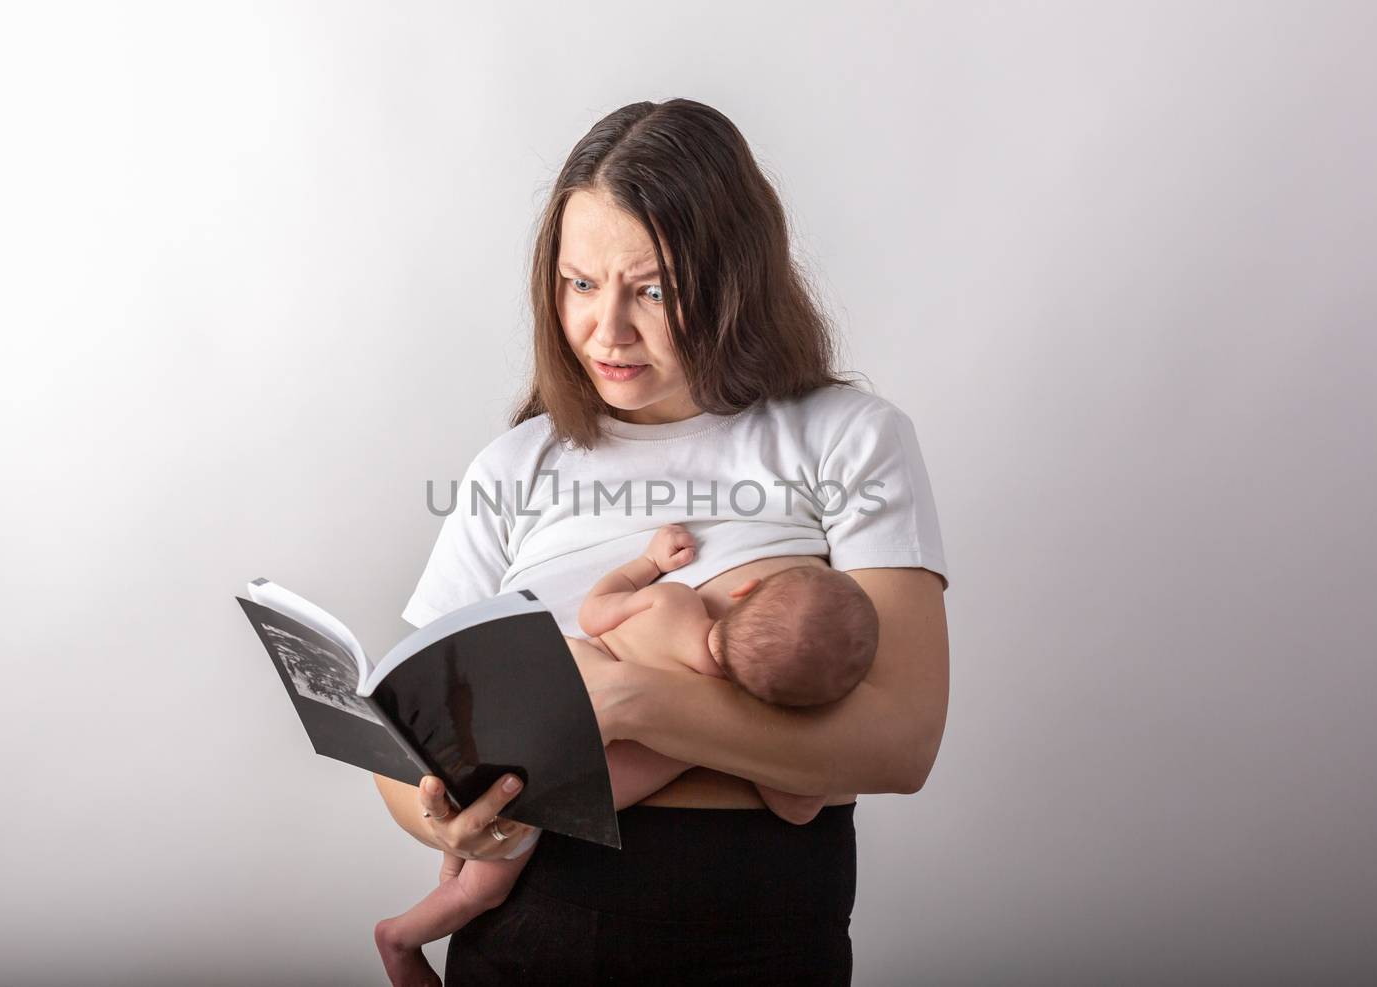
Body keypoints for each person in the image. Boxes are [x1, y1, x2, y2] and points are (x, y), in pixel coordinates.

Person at [373, 97, 950, 986]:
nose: (608, 330)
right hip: (533, 921)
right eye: (580, 284)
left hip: (758, 925)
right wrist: (446, 822)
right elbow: (403, 737)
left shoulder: (846, 437)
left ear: (734, 279)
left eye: (653, 290)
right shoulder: (514, 464)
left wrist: (630, 700)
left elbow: (901, 741)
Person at [373, 523, 881, 985]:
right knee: (480, 891)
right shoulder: (744, 724)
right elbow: (799, 808)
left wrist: (650, 563)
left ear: (744, 590)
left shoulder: (673, 604)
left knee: (470, 816)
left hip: (526, 714)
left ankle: (441, 878)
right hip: (545, 789)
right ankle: (398, 938)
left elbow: (596, 612)